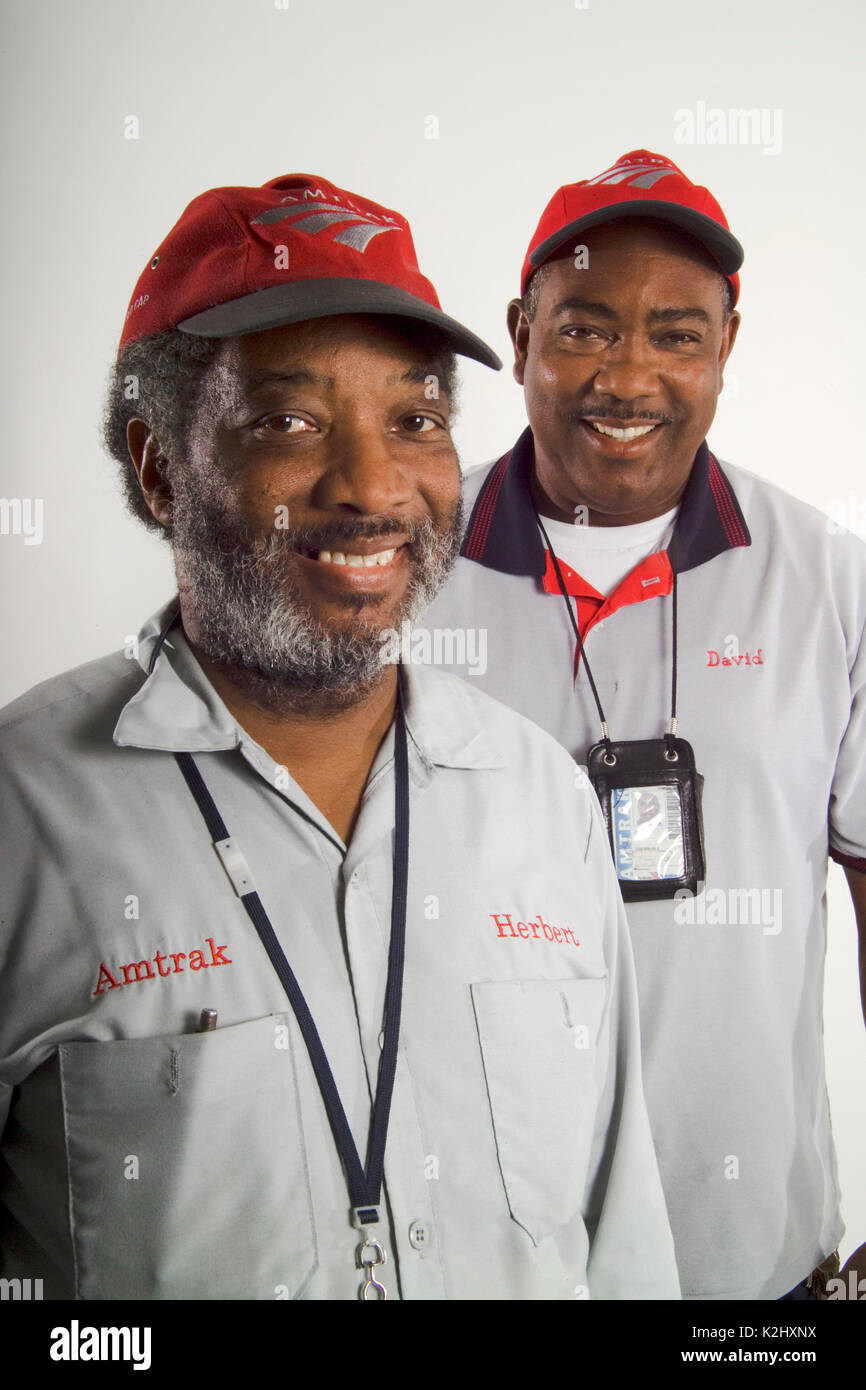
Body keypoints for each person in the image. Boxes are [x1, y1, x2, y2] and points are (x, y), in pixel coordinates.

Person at [0, 172, 679, 1301]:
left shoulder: (538, 802)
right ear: (159, 465)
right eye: (289, 421)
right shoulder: (22, 813)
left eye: (414, 421)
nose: (372, 486)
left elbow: (622, 1252)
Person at [420, 149, 866, 1300]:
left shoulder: (829, 581)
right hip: (477, 1262)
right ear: (517, 335)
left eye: (675, 333)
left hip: (752, 1268)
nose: (627, 374)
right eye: (583, 328)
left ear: (726, 346)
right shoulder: (397, 571)